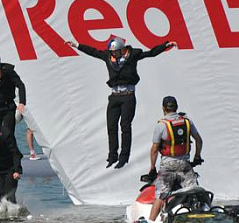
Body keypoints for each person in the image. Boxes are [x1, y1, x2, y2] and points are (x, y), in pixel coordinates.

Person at [66, 36, 177, 169]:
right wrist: (77, 45)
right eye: (111, 52)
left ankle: (124, 157)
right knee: (111, 127)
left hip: (128, 96)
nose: (113, 54)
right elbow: (94, 52)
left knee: (125, 126)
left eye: (115, 51)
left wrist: (166, 45)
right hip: (114, 96)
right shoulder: (108, 56)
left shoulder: (133, 55)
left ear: (122, 50)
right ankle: (112, 156)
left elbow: (151, 53)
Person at [148, 96, 203, 222]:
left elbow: (154, 150)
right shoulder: (187, 121)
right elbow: (199, 140)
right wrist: (197, 156)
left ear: (163, 108)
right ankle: (200, 220)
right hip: (184, 164)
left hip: (167, 165)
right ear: (177, 107)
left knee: (161, 195)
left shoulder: (161, 125)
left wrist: (152, 168)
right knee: (193, 192)